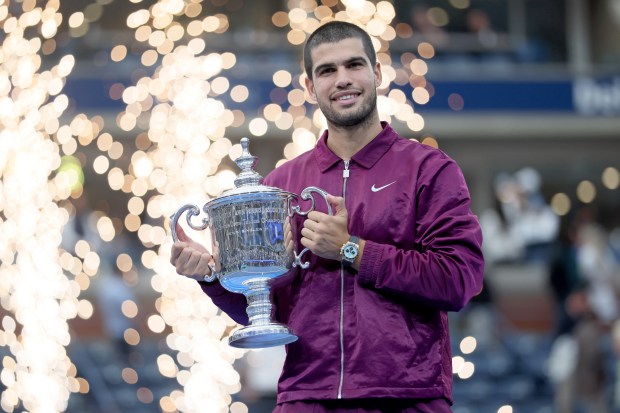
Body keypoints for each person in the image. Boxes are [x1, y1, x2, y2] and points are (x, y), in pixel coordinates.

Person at [171, 21, 484, 413]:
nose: (343, 80)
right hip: (306, 396)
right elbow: (269, 309)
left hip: (406, 397)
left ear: (377, 73)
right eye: (327, 70)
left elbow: (459, 280)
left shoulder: (429, 169)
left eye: (354, 65)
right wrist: (212, 277)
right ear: (309, 86)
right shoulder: (281, 183)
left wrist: (353, 249)